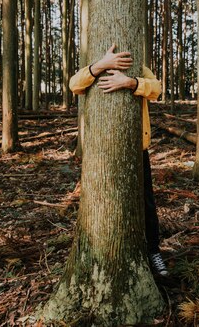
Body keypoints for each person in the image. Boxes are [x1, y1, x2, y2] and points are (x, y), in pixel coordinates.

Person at [69, 43, 168, 276]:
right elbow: (74, 85)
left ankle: (153, 251)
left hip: (135, 149)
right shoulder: (94, 67)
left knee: (146, 203)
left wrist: (131, 82)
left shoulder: (139, 68)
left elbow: (157, 89)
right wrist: (101, 65)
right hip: (100, 152)